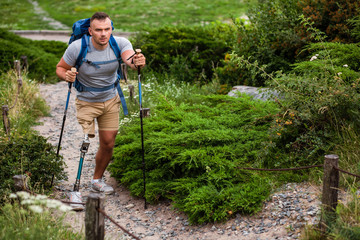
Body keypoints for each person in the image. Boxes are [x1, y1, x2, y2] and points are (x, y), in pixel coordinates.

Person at [56, 12, 146, 208]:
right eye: (98, 30)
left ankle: (96, 181)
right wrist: (67, 76)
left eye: (107, 29)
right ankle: (75, 191)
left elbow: (130, 60)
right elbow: (60, 68)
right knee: (85, 141)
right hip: (86, 101)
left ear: (111, 29)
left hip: (110, 99)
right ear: (90, 31)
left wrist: (137, 62)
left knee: (108, 143)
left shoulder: (120, 43)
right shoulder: (77, 47)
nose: (103, 34)